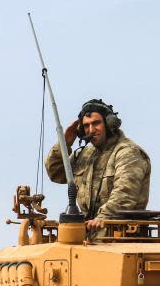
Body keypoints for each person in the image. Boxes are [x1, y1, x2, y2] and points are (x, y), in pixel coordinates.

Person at [45, 99, 151, 232]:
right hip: (87, 235)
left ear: (109, 124)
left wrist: (103, 217)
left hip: (119, 235)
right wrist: (65, 143)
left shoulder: (128, 153)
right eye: (86, 126)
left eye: (96, 123)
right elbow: (56, 173)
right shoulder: (85, 154)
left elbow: (125, 194)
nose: (91, 130)